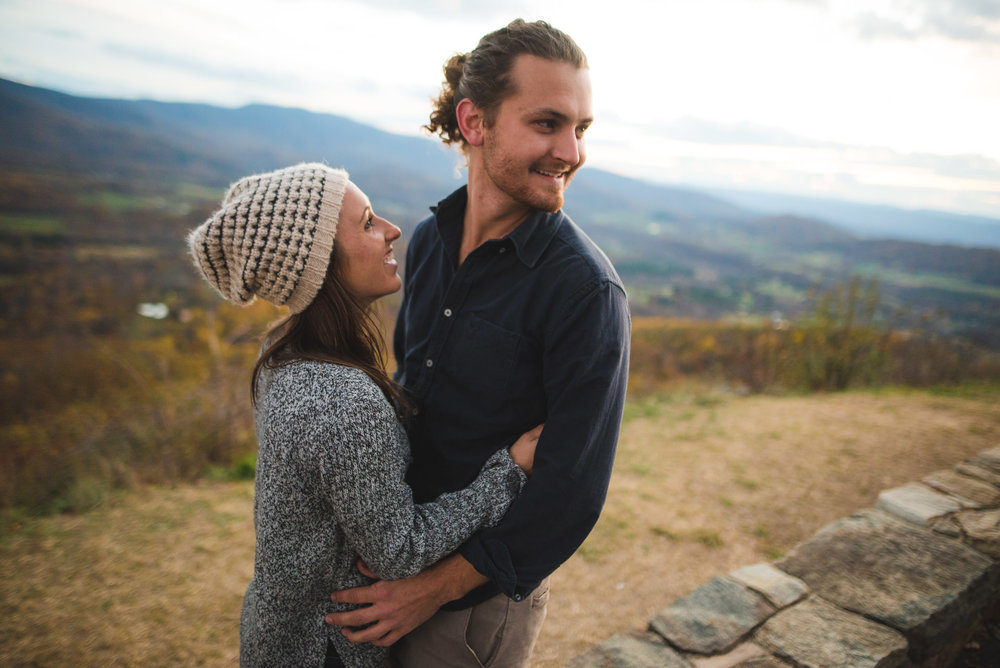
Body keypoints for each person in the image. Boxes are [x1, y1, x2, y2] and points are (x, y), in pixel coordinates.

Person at [326, 19, 631, 666]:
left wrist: (429, 592)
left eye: (581, 129)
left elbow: (569, 495)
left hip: (469, 612)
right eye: (548, 124)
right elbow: (409, 398)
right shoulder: (431, 240)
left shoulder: (585, 293)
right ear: (475, 122)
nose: (572, 151)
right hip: (386, 570)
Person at [187, 162, 543, 667]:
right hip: (324, 649)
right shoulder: (342, 399)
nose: (393, 230)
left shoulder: (284, 354)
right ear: (320, 265)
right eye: (369, 222)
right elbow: (399, 551)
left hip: (281, 635)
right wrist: (506, 472)